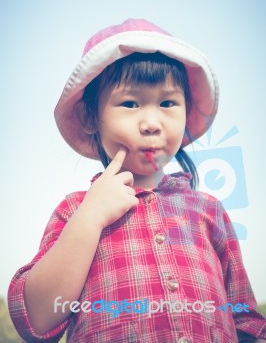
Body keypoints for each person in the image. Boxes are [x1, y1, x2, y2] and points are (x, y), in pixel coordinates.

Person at [8, 19, 266, 342]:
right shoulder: (75, 211)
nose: (151, 123)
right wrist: (89, 220)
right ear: (91, 117)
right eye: (130, 103)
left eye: (168, 103)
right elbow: (35, 319)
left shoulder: (209, 211)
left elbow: (247, 323)